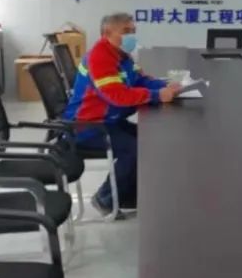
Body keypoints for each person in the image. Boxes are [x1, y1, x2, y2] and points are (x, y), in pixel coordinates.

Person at [63, 12, 183, 217]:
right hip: (87, 126)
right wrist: (156, 95)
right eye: (126, 31)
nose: (131, 36)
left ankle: (126, 195)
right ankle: (104, 198)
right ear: (107, 33)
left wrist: (166, 86)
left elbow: (140, 80)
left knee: (149, 141)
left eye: (133, 31)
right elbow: (117, 95)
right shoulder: (100, 57)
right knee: (135, 149)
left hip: (109, 120)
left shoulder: (122, 55)